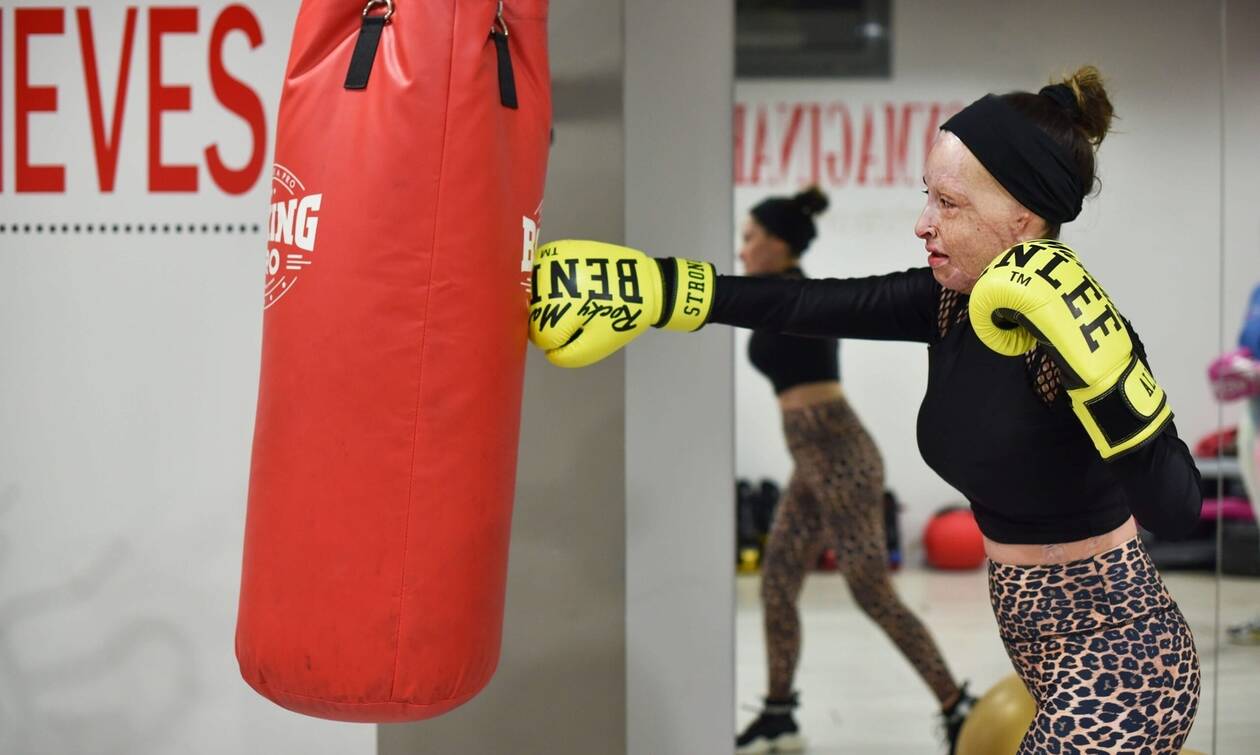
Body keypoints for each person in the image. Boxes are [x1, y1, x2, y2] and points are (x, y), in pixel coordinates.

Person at [529, 65, 1203, 753]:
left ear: (1021, 215)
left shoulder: (1078, 339)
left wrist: (1107, 374)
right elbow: (808, 302)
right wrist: (664, 288)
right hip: (1042, 656)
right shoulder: (949, 304)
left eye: (948, 203)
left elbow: (1177, 510)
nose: (923, 223)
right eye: (925, 195)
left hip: (1125, 661)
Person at [734, 187, 971, 753]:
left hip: (840, 457)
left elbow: (743, 303)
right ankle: (779, 711)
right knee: (777, 583)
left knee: (871, 592)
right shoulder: (779, 295)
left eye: (750, 238)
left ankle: (955, 706)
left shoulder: (797, 297)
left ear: (780, 244)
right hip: (813, 463)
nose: (741, 251)